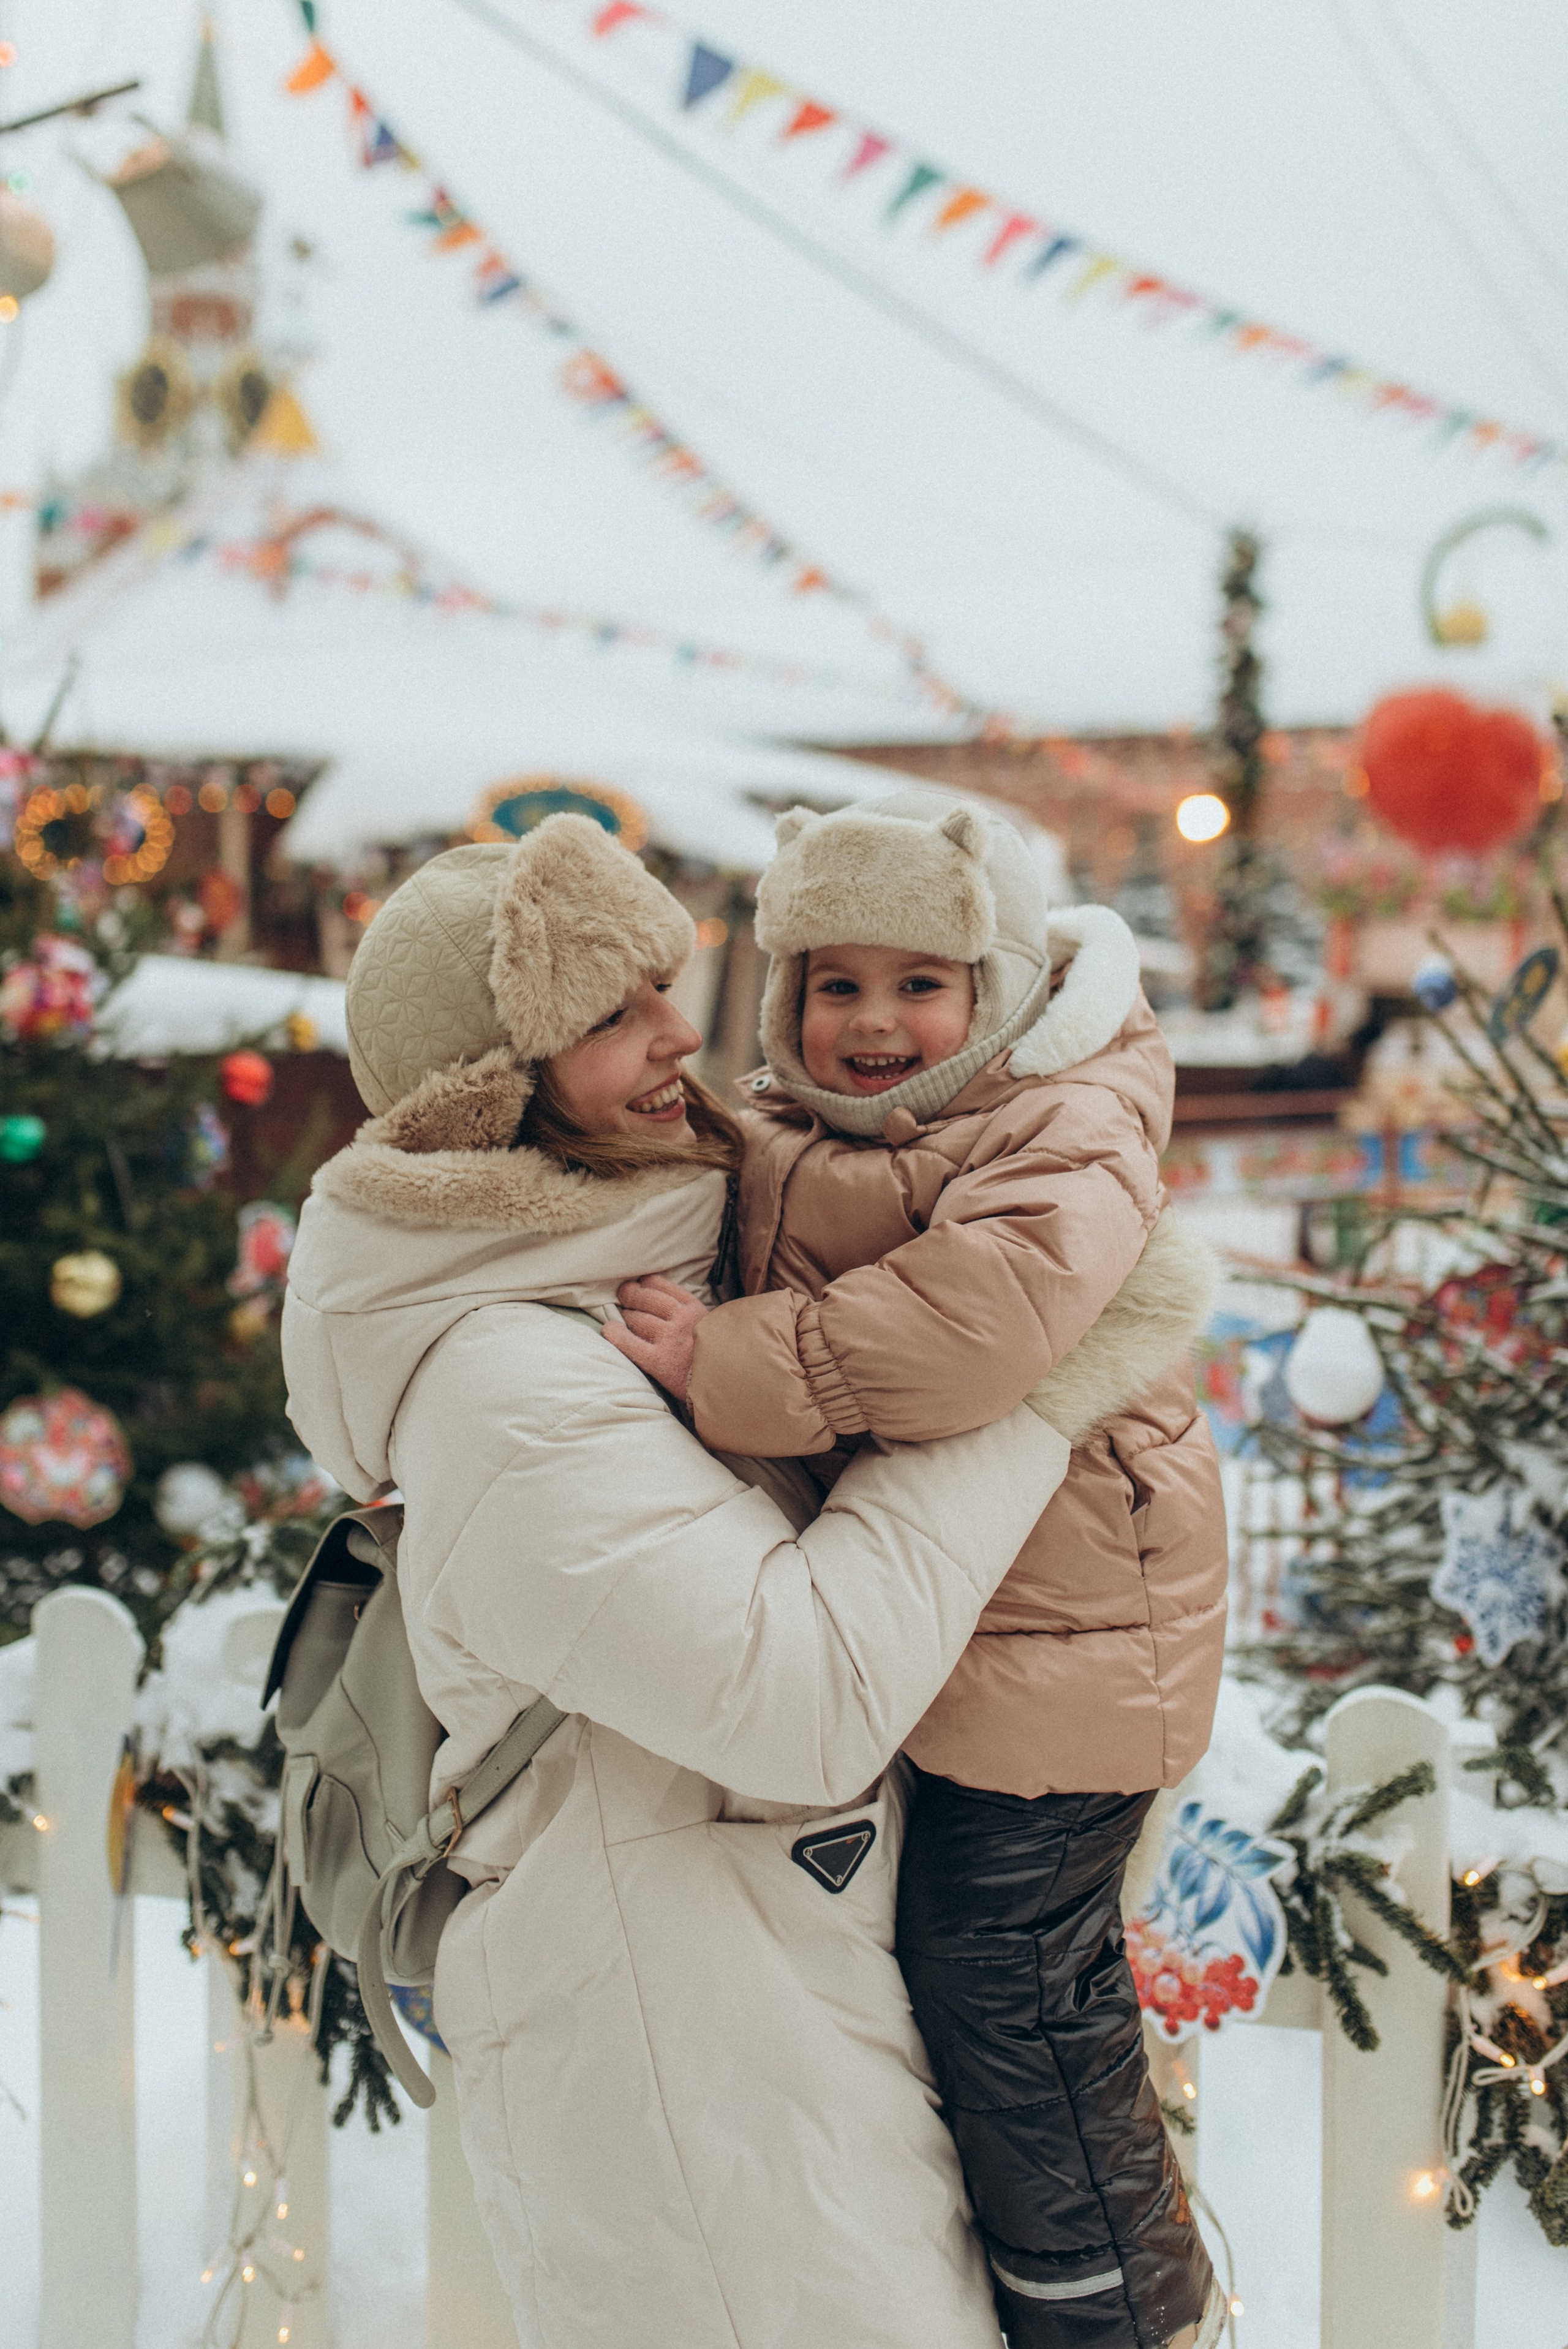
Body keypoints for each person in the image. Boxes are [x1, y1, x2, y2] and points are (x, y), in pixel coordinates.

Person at [282, 812, 1180, 2349]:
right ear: (490, 1087)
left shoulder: (629, 1274)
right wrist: (1041, 1382)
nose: (673, 1032)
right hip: (706, 2135)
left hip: (771, 2058)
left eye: (661, 984)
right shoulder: (507, 1387)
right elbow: (804, 1698)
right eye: (608, 1011)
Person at [608, 794, 1229, 2349]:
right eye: (834, 983)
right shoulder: (792, 1129)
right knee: (918, 1978)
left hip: (1071, 1631)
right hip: (946, 1633)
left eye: (918, 981)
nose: (874, 1020)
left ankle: (1114, 2322)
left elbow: (977, 1328)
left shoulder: (1059, 1122)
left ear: (998, 984)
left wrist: (731, 1360)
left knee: (1003, 1977)